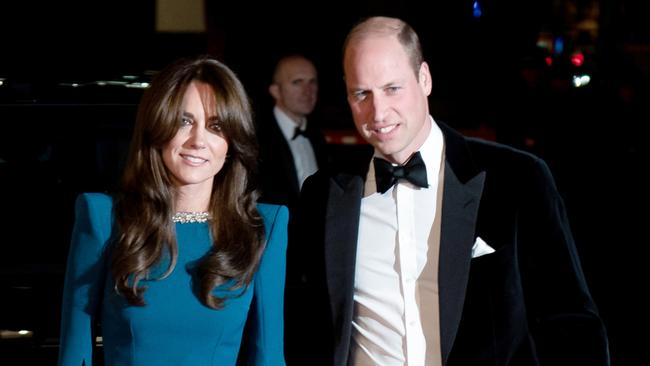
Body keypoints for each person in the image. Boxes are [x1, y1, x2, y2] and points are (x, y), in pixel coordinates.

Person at [295, 16, 610, 365]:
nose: (379, 111)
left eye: (392, 88)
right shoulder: (323, 196)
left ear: (424, 79)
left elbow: (571, 323)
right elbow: (307, 327)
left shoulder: (517, 179)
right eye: (362, 93)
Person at [58, 56, 288, 366]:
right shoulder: (103, 219)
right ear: (157, 126)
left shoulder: (263, 228)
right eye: (184, 121)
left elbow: (269, 356)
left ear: (232, 142)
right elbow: (74, 354)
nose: (198, 140)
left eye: (216, 126)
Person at [256, 53, 329, 210]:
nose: (307, 90)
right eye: (297, 82)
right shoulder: (256, 139)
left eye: (312, 82)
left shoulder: (317, 137)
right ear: (276, 91)